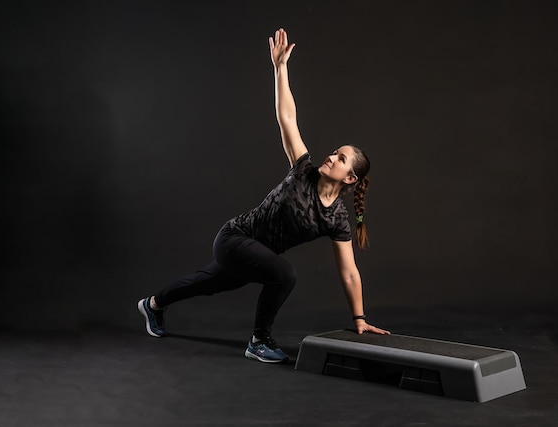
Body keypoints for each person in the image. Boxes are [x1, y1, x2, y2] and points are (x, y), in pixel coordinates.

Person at [138, 28, 390, 364]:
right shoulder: (303, 169)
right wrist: (280, 68)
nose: (331, 157)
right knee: (285, 275)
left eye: (340, 159)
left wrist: (359, 319)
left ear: (350, 177)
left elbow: (349, 272)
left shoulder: (338, 218)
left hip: (254, 255)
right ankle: (259, 340)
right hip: (235, 238)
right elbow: (287, 117)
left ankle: (152, 304)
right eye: (334, 152)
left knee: (208, 283)